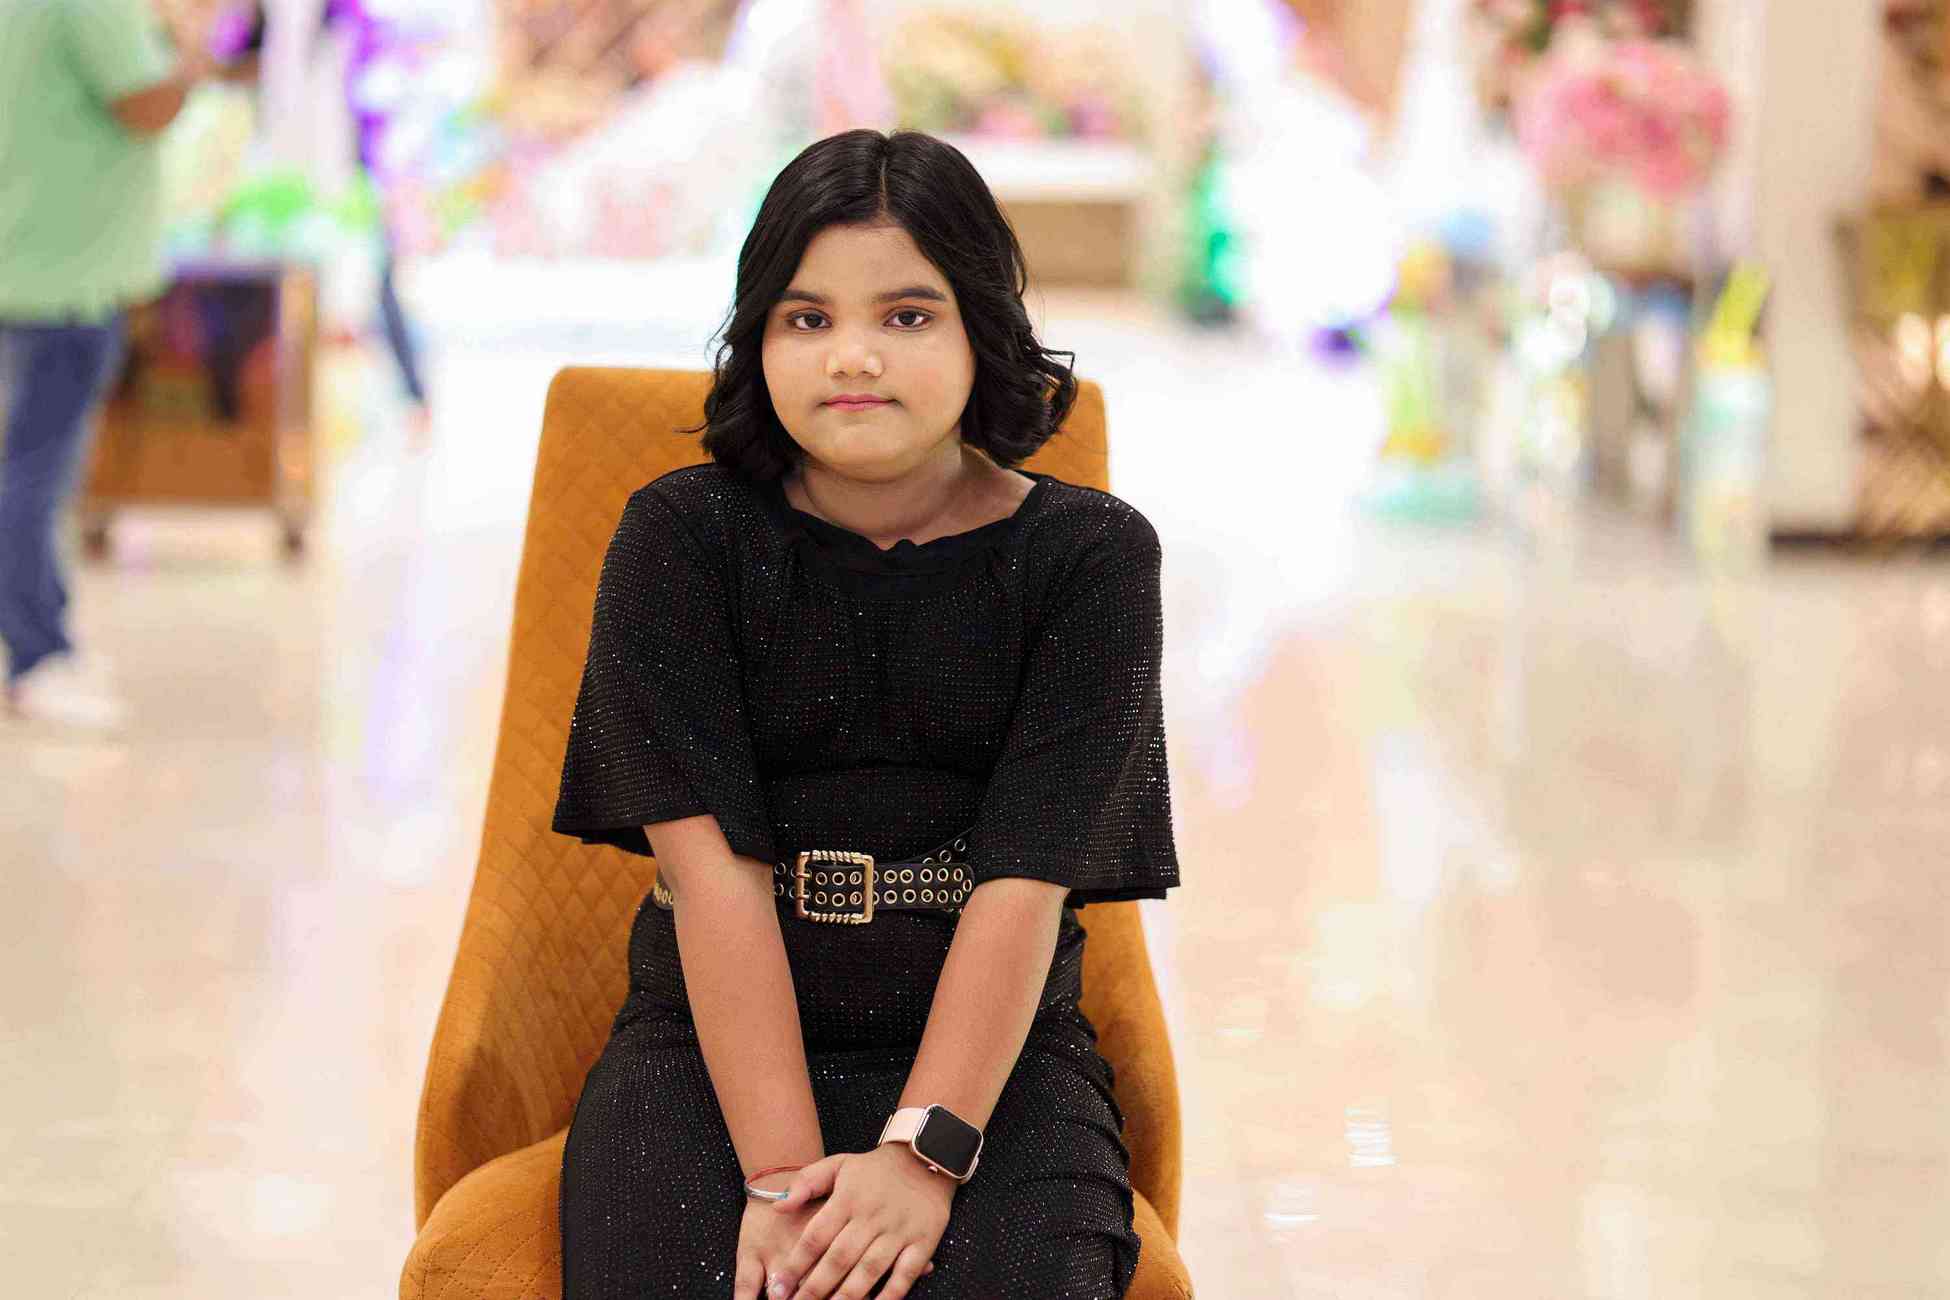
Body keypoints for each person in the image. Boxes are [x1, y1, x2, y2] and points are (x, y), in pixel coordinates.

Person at [550, 129, 1181, 1299]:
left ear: (982, 327)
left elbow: (1026, 883)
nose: (853, 356)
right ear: (758, 337)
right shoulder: (680, 537)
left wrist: (923, 1154)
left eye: (907, 315)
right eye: (806, 317)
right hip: (710, 1051)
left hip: (995, 1061)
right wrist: (783, 1181)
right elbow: (709, 876)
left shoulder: (1090, 557)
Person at [0, 0, 215, 728]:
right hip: (65, 278)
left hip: (32, 264)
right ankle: (36, 657)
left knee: (33, 472)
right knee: (34, 478)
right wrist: (191, 53)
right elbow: (144, 105)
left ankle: (45, 636)